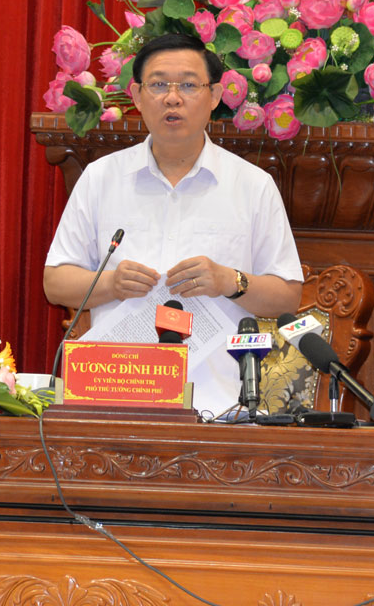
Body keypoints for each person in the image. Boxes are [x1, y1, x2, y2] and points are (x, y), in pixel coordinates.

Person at [44, 34, 303, 414]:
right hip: (116, 395)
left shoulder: (251, 185)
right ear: (136, 95)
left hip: (217, 402)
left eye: (188, 85)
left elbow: (287, 295)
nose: (173, 98)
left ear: (214, 96)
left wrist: (229, 281)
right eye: (159, 84)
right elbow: (55, 283)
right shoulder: (101, 178)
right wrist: (112, 284)